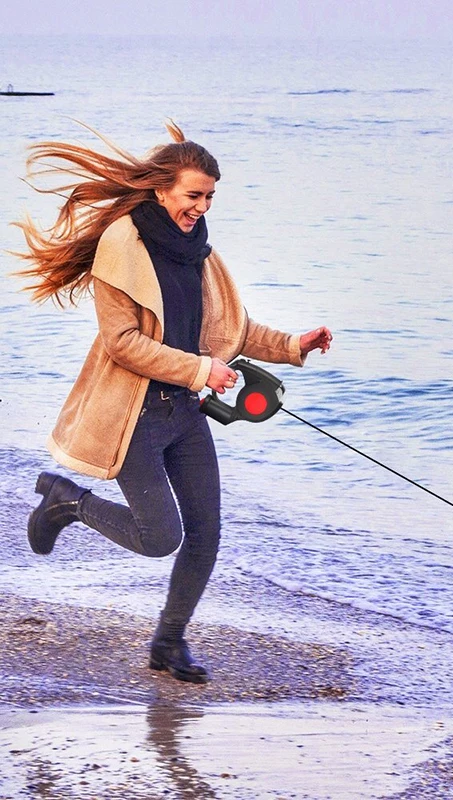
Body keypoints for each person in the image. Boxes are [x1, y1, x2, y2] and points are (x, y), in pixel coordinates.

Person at [14, 121, 333, 684]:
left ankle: (168, 642)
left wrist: (292, 345)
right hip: (134, 417)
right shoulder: (121, 248)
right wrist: (199, 369)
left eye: (210, 197)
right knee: (161, 538)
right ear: (162, 189)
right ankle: (67, 502)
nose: (201, 207)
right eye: (193, 195)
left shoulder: (198, 251)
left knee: (207, 532)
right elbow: (122, 343)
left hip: (185, 415)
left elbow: (229, 330)